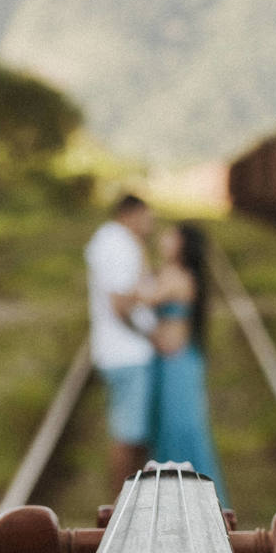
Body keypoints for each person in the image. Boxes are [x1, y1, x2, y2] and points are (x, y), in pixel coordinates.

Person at [136, 221, 229, 504]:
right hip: (170, 362)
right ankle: (171, 496)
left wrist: (137, 253)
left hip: (178, 364)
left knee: (181, 426)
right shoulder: (171, 273)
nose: (163, 240)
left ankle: (197, 499)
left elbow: (143, 296)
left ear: (182, 245)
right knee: (167, 426)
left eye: (170, 236)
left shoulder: (179, 277)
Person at [85, 193, 156, 492]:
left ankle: (129, 502)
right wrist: (150, 334)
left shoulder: (112, 241)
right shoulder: (118, 244)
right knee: (129, 436)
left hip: (122, 352)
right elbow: (119, 303)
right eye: (148, 216)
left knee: (134, 433)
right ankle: (122, 508)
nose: (151, 223)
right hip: (127, 353)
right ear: (132, 214)